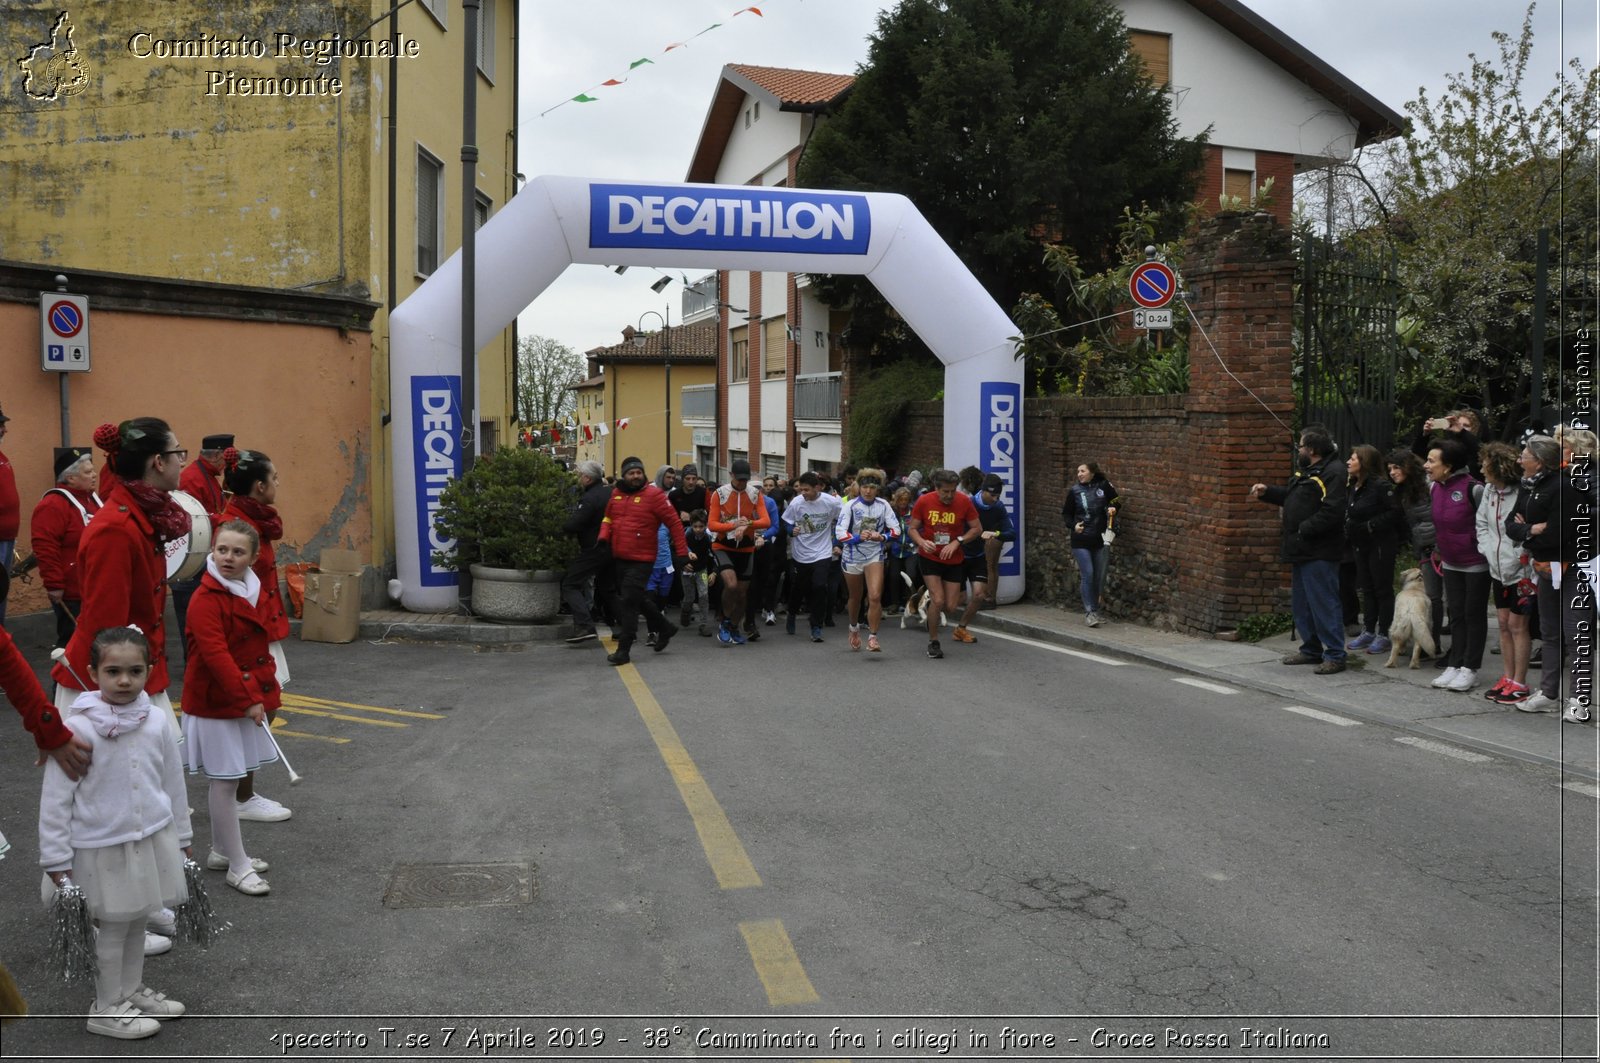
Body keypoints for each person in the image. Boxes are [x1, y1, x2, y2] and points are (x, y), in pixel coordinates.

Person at [39, 626, 193, 1040]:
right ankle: (105, 1006)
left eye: (135, 671)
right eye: (113, 671)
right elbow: (56, 798)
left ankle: (129, 991)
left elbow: (171, 781)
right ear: (92, 673)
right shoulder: (80, 729)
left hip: (150, 839)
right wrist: (56, 860)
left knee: (137, 920)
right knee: (113, 925)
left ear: (149, 671)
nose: (124, 681)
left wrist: (182, 833)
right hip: (102, 848)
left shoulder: (156, 720)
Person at [52, 420, 189, 734]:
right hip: (112, 684)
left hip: (132, 673)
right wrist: (120, 694)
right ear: (158, 461)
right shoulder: (116, 529)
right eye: (177, 452)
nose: (182, 461)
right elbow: (106, 624)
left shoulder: (142, 514)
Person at [181, 521, 280, 896]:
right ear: (213, 551)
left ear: (253, 558)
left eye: (238, 552)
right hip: (214, 702)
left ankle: (223, 851)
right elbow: (216, 655)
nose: (228, 558)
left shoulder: (250, 589)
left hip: (239, 697)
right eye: (222, 549)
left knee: (236, 775)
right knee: (224, 781)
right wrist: (249, 698)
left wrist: (259, 695)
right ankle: (238, 867)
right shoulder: (206, 598)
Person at [220, 448, 292, 824]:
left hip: (264, 625)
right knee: (256, 710)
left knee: (268, 706)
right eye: (274, 478)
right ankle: (239, 796)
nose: (279, 484)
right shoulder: (235, 525)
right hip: (249, 630)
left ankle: (241, 792)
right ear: (260, 486)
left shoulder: (255, 520)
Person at [1250, 426, 1348, 675]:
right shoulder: (1307, 470)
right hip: (1300, 548)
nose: (1299, 451)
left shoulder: (1334, 472)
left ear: (1312, 450)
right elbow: (1294, 497)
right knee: (1302, 604)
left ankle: (1335, 654)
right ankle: (1311, 649)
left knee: (1324, 602)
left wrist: (1304, 528)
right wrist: (1268, 492)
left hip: (1320, 550)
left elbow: (1333, 511)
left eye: (1301, 447)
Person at [596, 456, 688, 665]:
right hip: (619, 556)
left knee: (629, 601)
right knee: (635, 597)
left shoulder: (654, 496)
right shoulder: (616, 495)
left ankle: (624, 650)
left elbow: (674, 523)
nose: (636, 476)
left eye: (639, 472)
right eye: (631, 473)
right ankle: (665, 627)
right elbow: (608, 518)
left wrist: (682, 553)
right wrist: (603, 537)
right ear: (624, 475)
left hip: (643, 559)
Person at [1426, 437, 1489, 693]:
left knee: (1474, 615)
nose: (1426, 465)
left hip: (1476, 563)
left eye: (1432, 461)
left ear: (1448, 465)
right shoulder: (1434, 488)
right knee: (1457, 616)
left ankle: (1470, 668)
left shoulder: (1474, 489)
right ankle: (1454, 664)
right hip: (1450, 563)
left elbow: (1488, 525)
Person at [1475, 442, 1535, 705]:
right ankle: (1507, 677)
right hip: (1496, 567)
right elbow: (1481, 524)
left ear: (1498, 467)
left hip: (1521, 570)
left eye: (1485, 464)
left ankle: (1520, 682)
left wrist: (1515, 557)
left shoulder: (1523, 491)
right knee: (1502, 623)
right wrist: (1488, 550)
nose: (1481, 468)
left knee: (1517, 626)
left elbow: (1526, 530)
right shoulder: (1489, 490)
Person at [30, 446, 102, 650]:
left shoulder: (92, 500)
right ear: (70, 478)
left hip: (97, 587)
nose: (94, 475)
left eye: (93, 470)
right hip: (73, 591)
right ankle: (63, 682)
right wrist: (54, 584)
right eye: (88, 472)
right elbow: (45, 547)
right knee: (73, 644)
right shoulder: (53, 504)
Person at [907, 468, 982, 659]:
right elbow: (912, 529)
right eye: (945, 491)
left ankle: (930, 603)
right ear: (936, 488)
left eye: (952, 491)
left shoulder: (964, 501)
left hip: (954, 559)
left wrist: (958, 541)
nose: (949, 495)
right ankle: (933, 641)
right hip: (930, 557)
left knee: (950, 606)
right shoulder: (924, 501)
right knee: (939, 599)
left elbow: (976, 528)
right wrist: (922, 542)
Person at [1343, 444, 1404, 656]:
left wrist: (1371, 525)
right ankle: (1368, 629)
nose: (1349, 462)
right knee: (1366, 588)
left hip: (1380, 544)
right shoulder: (1354, 486)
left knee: (1382, 588)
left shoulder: (1380, 486)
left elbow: (1395, 512)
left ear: (1365, 462)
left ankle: (1384, 633)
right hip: (1360, 544)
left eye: (1353, 458)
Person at [170, 434, 232, 637]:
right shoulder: (192, 478)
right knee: (192, 623)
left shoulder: (208, 476)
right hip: (193, 562)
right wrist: (223, 518)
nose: (226, 465)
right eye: (225, 459)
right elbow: (192, 521)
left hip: (203, 556)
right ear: (215, 455)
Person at [1386, 448, 1445, 659]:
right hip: (1424, 547)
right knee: (1431, 596)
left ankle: (1434, 643)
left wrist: (1438, 548)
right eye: (1390, 469)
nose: (1392, 472)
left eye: (1396, 467)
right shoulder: (1406, 490)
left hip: (1438, 549)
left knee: (1435, 598)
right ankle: (1425, 642)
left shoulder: (1429, 487)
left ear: (1408, 467)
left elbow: (1440, 518)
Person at [834, 467, 901, 653]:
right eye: (865, 487)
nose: (868, 491)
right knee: (855, 597)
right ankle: (854, 628)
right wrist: (857, 537)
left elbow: (896, 530)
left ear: (877, 489)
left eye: (872, 487)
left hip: (874, 555)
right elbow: (839, 532)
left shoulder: (884, 505)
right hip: (852, 555)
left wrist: (883, 537)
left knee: (874, 596)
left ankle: (873, 637)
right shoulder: (851, 506)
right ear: (859, 487)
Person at [707, 459, 769, 646]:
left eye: (745, 480)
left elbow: (766, 521)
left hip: (746, 546)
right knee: (731, 585)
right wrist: (732, 525)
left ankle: (734, 626)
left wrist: (748, 523)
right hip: (723, 545)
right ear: (731, 475)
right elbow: (712, 524)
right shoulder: (719, 494)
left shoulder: (754, 494)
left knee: (742, 593)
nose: (742, 483)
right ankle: (725, 621)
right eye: (739, 479)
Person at [951, 473, 1017, 643]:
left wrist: (995, 533)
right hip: (959, 555)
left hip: (977, 556)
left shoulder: (998, 507)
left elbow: (1012, 533)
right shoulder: (967, 503)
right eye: (993, 495)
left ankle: (961, 628)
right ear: (983, 491)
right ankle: (930, 607)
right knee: (956, 601)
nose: (995, 499)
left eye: (998, 495)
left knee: (979, 595)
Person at [782, 472, 842, 641]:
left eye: (806, 490)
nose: (803, 493)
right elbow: (786, 521)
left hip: (823, 551)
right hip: (801, 552)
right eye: (801, 490)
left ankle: (816, 626)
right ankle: (792, 613)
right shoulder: (796, 503)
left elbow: (842, 521)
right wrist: (790, 530)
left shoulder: (831, 502)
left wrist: (837, 542)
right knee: (799, 588)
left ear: (817, 487)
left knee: (819, 586)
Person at [1062, 462, 1120, 627]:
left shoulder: (1104, 486)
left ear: (1092, 473)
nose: (1079, 474)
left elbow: (1116, 500)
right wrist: (1074, 526)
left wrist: (1112, 508)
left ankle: (1095, 610)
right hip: (1081, 540)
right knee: (1088, 573)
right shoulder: (1074, 491)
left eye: (1083, 471)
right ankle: (1089, 612)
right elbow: (1066, 514)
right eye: (1078, 471)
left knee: (1098, 576)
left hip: (1100, 539)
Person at [561, 461, 612, 643]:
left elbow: (577, 523)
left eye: (580, 475)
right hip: (611, 547)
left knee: (570, 584)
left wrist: (561, 526)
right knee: (608, 588)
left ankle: (584, 625)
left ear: (588, 478)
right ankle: (627, 626)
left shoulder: (590, 498)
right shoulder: (610, 492)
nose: (578, 478)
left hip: (593, 548)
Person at [680, 510, 714, 634]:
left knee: (704, 595)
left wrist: (714, 572)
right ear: (690, 525)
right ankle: (685, 611)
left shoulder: (708, 538)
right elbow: (677, 550)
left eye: (701, 527)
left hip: (702, 570)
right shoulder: (685, 536)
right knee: (689, 597)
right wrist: (683, 563)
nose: (698, 529)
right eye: (695, 526)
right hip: (687, 570)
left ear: (705, 526)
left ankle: (704, 624)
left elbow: (714, 554)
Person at [0, 404, 16, 626]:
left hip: (6, 538)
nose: (4, 429)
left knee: (1, 591)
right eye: (1, 425)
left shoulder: (2, 456)